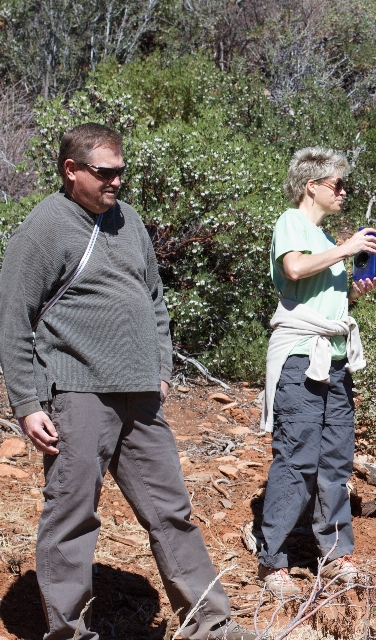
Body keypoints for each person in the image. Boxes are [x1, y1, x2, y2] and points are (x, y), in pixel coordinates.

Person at [0, 123, 252, 640]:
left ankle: (213, 625)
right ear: (71, 171)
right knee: (71, 517)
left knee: (171, 512)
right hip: (78, 394)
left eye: (121, 172)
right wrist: (27, 402)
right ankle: (69, 633)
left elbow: (154, 299)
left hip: (141, 396)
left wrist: (160, 368)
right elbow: (12, 320)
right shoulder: (44, 227)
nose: (116, 181)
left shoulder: (128, 219)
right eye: (104, 172)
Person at [257, 147, 376, 597]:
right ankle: (275, 560)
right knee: (296, 457)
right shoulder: (293, 222)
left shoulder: (328, 241)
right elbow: (293, 268)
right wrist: (348, 248)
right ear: (312, 186)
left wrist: (356, 287)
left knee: (335, 460)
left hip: (335, 356)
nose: (343, 192)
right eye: (336, 185)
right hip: (302, 356)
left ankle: (335, 552)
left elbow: (324, 296)